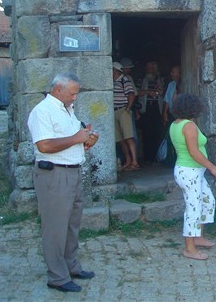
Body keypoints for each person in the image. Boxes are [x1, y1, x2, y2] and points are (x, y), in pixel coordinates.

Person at [27, 73, 99, 293]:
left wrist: (87, 141)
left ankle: (71, 266)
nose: (75, 97)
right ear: (58, 89)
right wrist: (77, 139)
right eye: (72, 93)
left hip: (73, 172)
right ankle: (57, 277)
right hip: (54, 175)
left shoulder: (68, 110)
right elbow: (45, 146)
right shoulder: (42, 111)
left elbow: (71, 140)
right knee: (55, 227)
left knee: (71, 224)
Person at [170, 93, 216, 260]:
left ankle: (198, 236)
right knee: (193, 207)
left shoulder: (176, 124)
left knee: (207, 201)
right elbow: (194, 152)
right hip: (190, 171)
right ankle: (189, 248)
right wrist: (212, 167)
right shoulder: (189, 126)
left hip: (190, 171)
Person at [113, 62, 139, 171]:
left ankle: (134, 162)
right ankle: (128, 160)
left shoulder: (125, 80)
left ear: (115, 70)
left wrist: (127, 109)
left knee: (128, 137)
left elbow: (131, 94)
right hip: (114, 111)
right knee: (120, 139)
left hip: (123, 110)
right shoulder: (113, 82)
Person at [137, 60, 163, 165]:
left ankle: (156, 157)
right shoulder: (141, 79)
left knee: (157, 132)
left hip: (157, 108)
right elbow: (136, 92)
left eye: (151, 68)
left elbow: (163, 92)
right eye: (148, 68)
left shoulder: (159, 79)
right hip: (145, 108)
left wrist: (159, 91)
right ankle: (147, 157)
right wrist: (148, 92)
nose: (149, 70)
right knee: (146, 133)